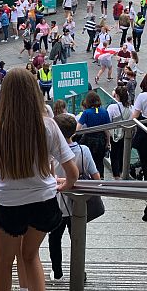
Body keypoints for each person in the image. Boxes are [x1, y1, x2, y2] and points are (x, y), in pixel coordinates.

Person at [0, 69, 78, 291]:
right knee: (31, 257)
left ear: (5, 94)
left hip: (8, 204)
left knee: (4, 260)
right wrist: (64, 184)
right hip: (43, 202)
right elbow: (72, 171)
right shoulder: (49, 125)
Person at [48, 113, 100, 282]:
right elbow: (96, 178)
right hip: (78, 205)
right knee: (77, 239)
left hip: (56, 204)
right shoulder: (84, 151)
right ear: (74, 132)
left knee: (54, 239)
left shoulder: (50, 154)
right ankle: (79, 272)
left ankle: (57, 273)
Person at [77, 91, 111, 177]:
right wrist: (108, 142)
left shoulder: (86, 113)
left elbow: (78, 128)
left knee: (89, 160)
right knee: (99, 161)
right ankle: (101, 178)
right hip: (101, 140)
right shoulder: (104, 111)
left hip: (89, 139)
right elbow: (107, 129)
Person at [107, 85, 134, 179]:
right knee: (123, 153)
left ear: (117, 96)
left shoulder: (112, 107)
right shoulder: (131, 108)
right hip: (126, 134)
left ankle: (116, 175)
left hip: (114, 135)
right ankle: (124, 172)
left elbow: (108, 121)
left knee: (114, 155)